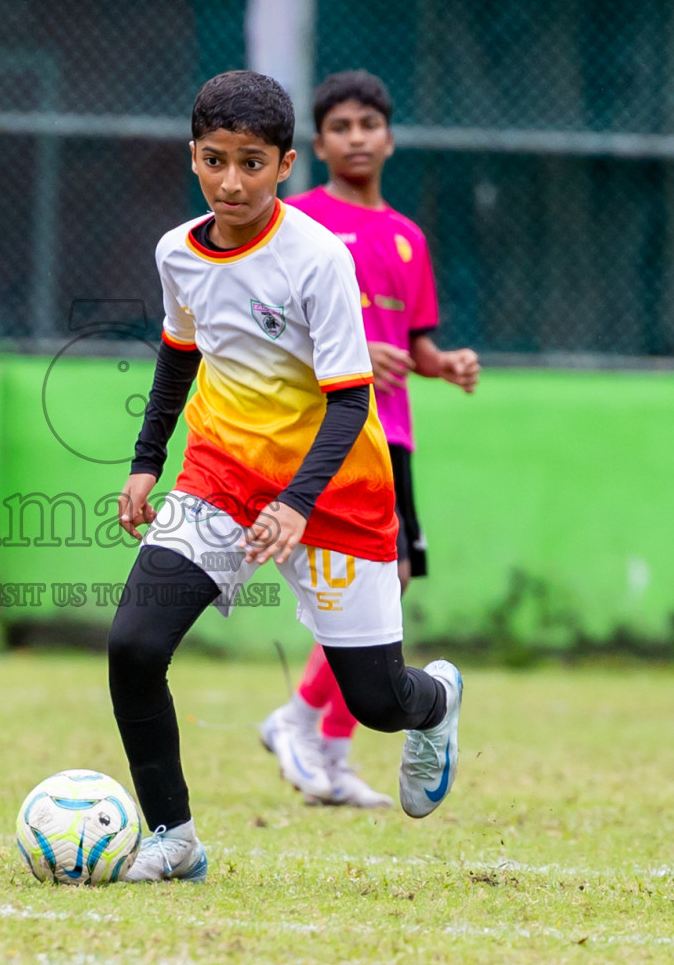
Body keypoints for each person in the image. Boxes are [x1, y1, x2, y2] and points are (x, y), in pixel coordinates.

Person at [108, 70, 464, 883]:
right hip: (219, 479)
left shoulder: (317, 259)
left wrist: (298, 504)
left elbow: (349, 403)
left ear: (285, 165)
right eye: (214, 160)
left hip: (336, 492)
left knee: (376, 702)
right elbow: (178, 355)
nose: (231, 181)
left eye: (252, 163)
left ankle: (436, 703)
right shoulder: (177, 251)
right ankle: (175, 838)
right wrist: (145, 461)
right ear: (192, 156)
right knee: (133, 647)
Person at [261, 71, 481, 808]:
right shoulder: (296, 223)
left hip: (393, 436)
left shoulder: (408, 238)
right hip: (327, 432)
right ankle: (297, 719)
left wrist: (442, 365)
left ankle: (330, 747)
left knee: (386, 588)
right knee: (362, 587)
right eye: (341, 126)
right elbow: (273, 325)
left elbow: (415, 346)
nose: (357, 138)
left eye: (369, 125)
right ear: (316, 144)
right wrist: (348, 356)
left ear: (389, 137)